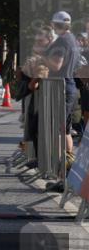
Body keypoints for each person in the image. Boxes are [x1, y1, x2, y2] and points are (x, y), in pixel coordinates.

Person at [44, 11, 81, 191]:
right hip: (69, 86)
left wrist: (43, 57)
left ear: (56, 25)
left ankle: (64, 177)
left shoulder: (61, 42)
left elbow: (56, 65)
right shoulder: (72, 39)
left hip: (61, 88)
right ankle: (66, 177)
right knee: (65, 131)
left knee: (58, 132)